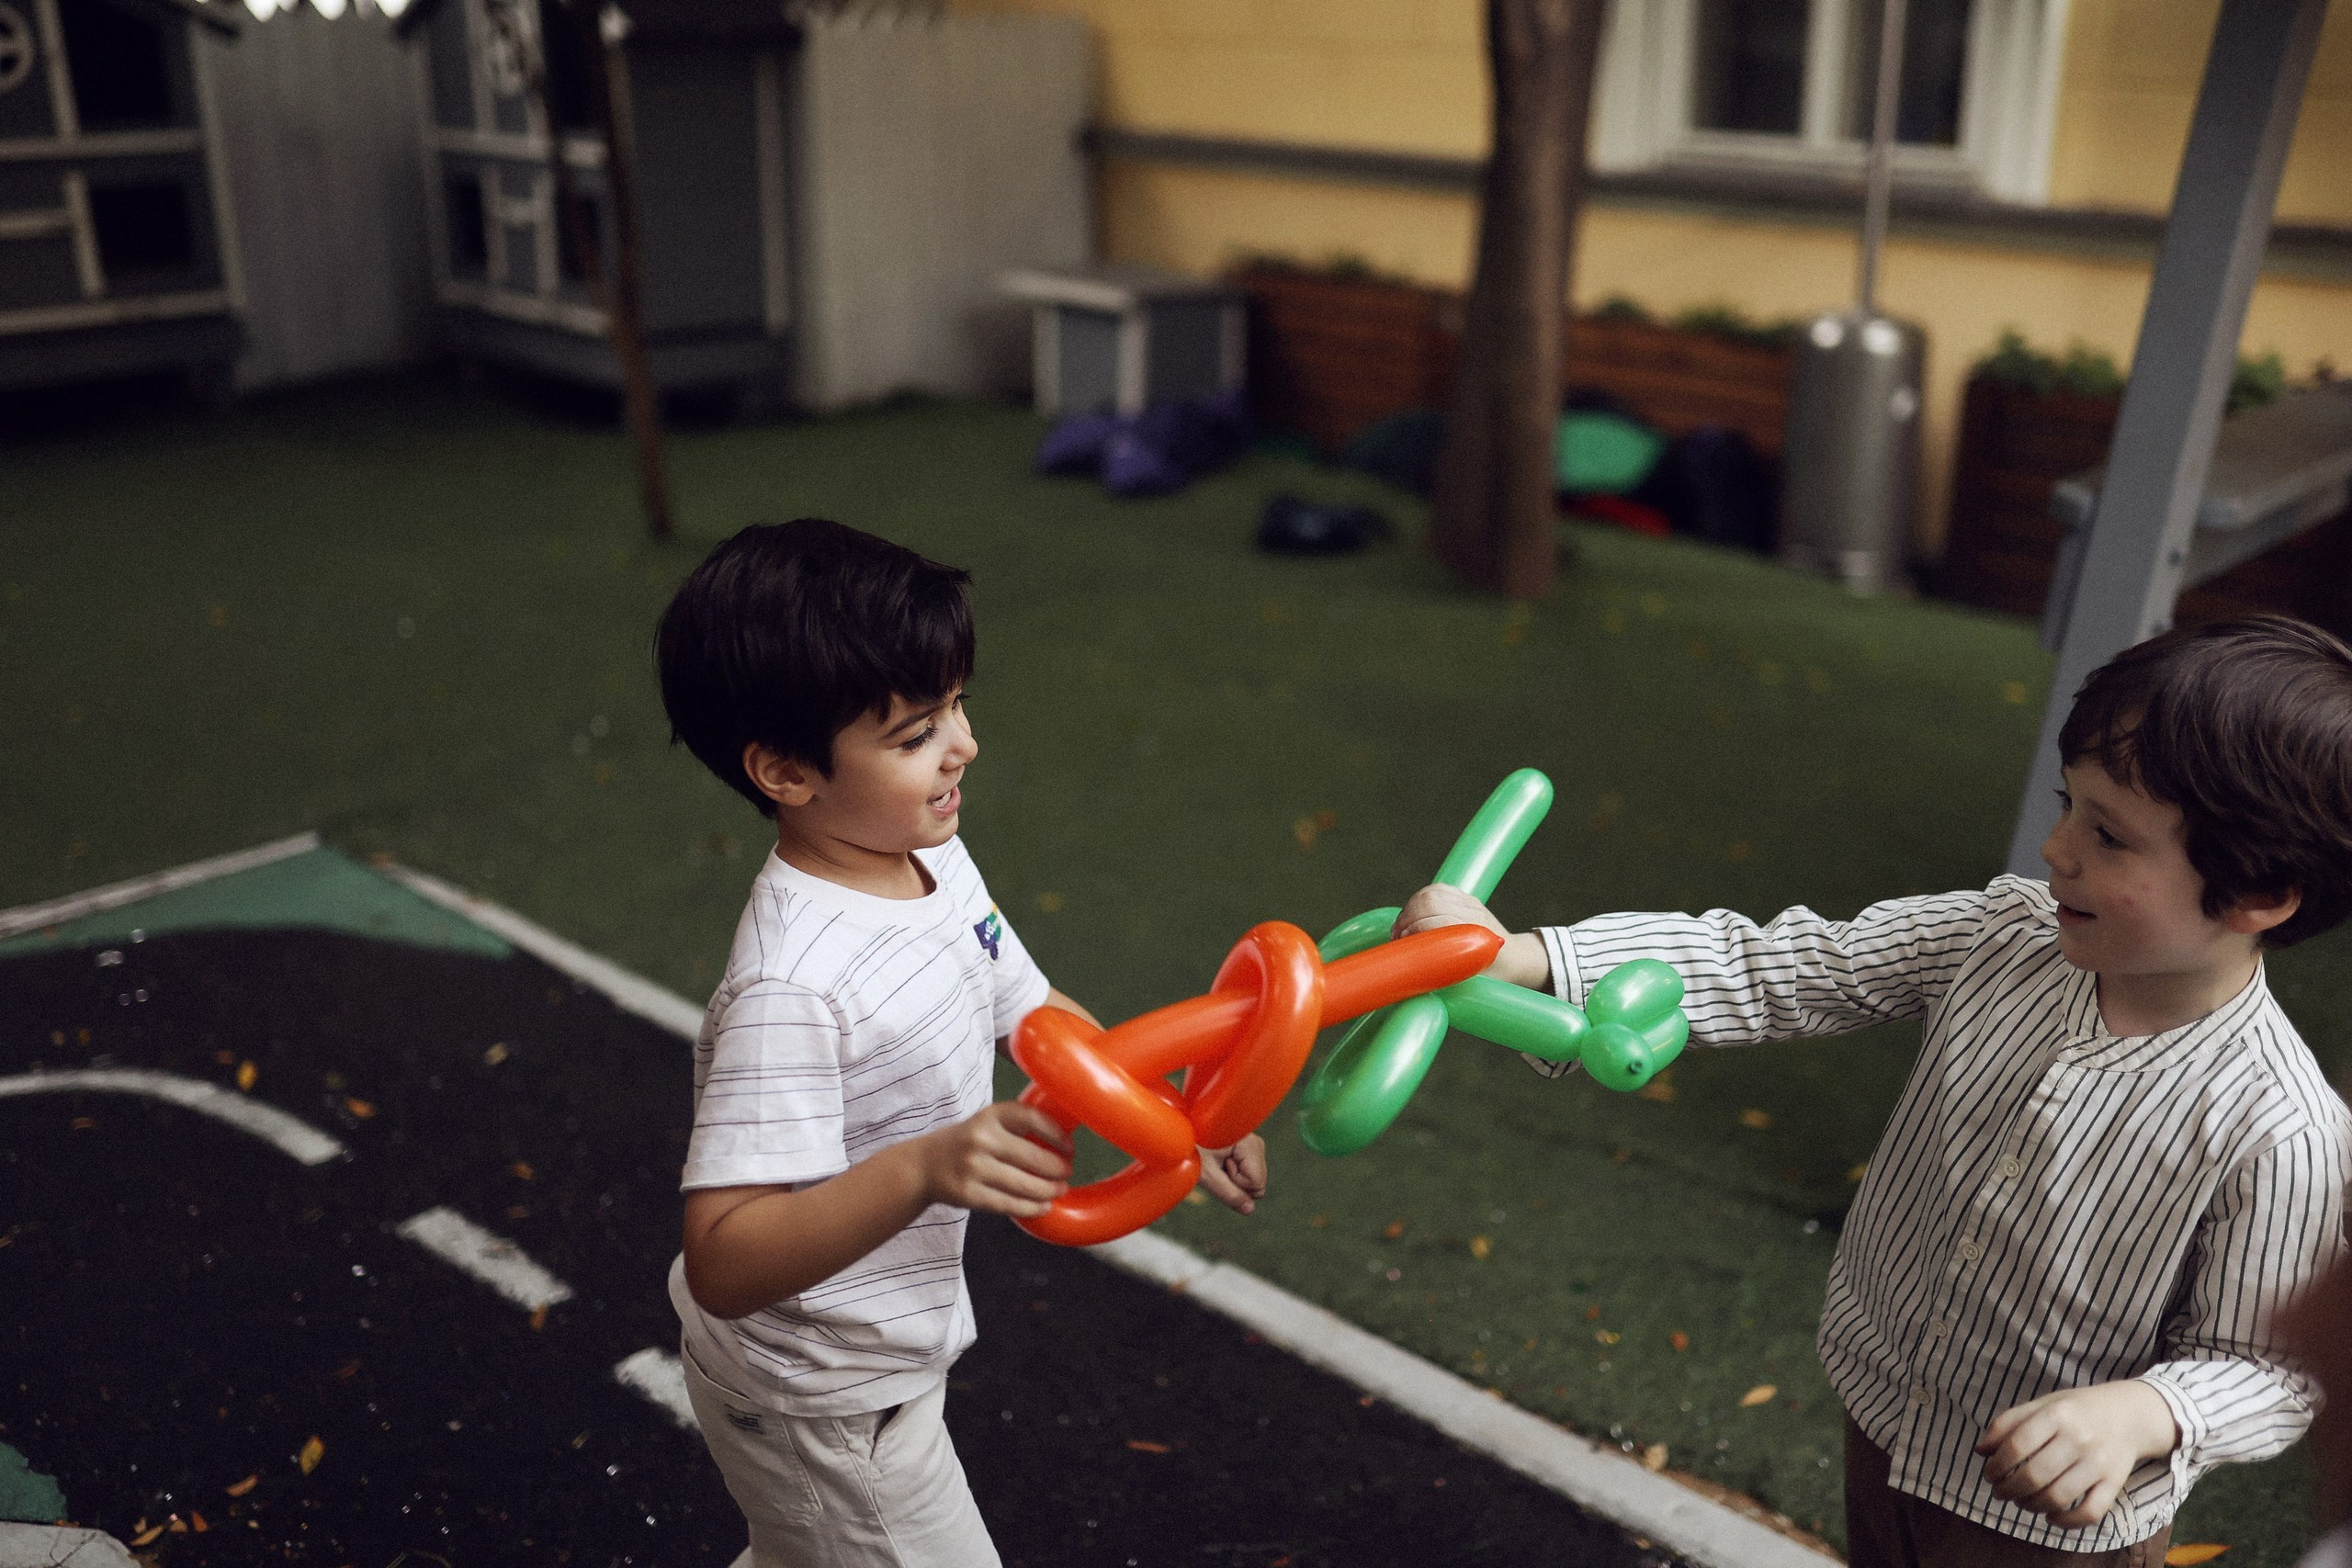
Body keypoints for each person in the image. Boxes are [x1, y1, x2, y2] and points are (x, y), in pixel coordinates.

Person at [1396, 615, 2352, 1567]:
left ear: (2257, 895)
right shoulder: (1994, 934)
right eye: (2069, 804)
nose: (2057, 848)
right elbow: (1781, 965)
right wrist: (1531, 959)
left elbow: (2268, 1365)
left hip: (2052, 1522)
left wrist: (2147, 1411)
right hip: (1887, 1409)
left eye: (2107, 835)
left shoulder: (2281, 1128)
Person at [653, 519, 1266, 1568]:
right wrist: (925, 1167)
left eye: (955, 706)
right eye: (914, 733)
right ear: (787, 773)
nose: (964, 743)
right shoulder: (790, 986)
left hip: (856, 1375)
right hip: (828, 1405)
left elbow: (1033, 1019)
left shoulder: (927, 859)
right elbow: (723, 1256)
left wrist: (1175, 1116)